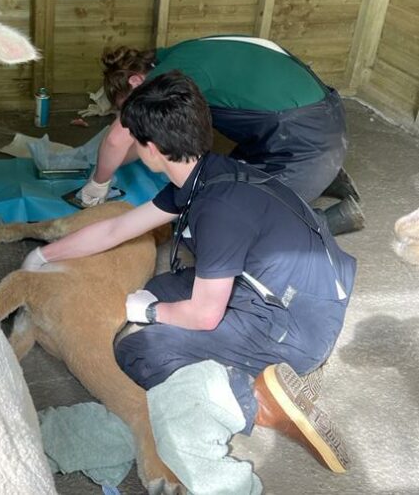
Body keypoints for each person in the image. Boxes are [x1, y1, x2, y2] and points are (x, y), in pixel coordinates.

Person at [23, 71, 356, 473]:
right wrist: (44, 257)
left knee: (140, 350)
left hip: (296, 326)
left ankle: (258, 399)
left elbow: (204, 315)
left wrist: (148, 314)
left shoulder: (218, 208)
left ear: (152, 150)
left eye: (134, 139)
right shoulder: (206, 174)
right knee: (163, 286)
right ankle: (251, 367)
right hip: (297, 286)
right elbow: (116, 229)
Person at [77, 36, 364, 236]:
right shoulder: (184, 54)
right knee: (218, 183)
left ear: (137, 82)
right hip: (314, 120)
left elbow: (117, 139)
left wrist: (97, 184)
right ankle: (324, 176)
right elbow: (136, 138)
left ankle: (328, 219)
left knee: (224, 222)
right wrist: (114, 162)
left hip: (304, 136)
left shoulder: (170, 73)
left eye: (126, 108)